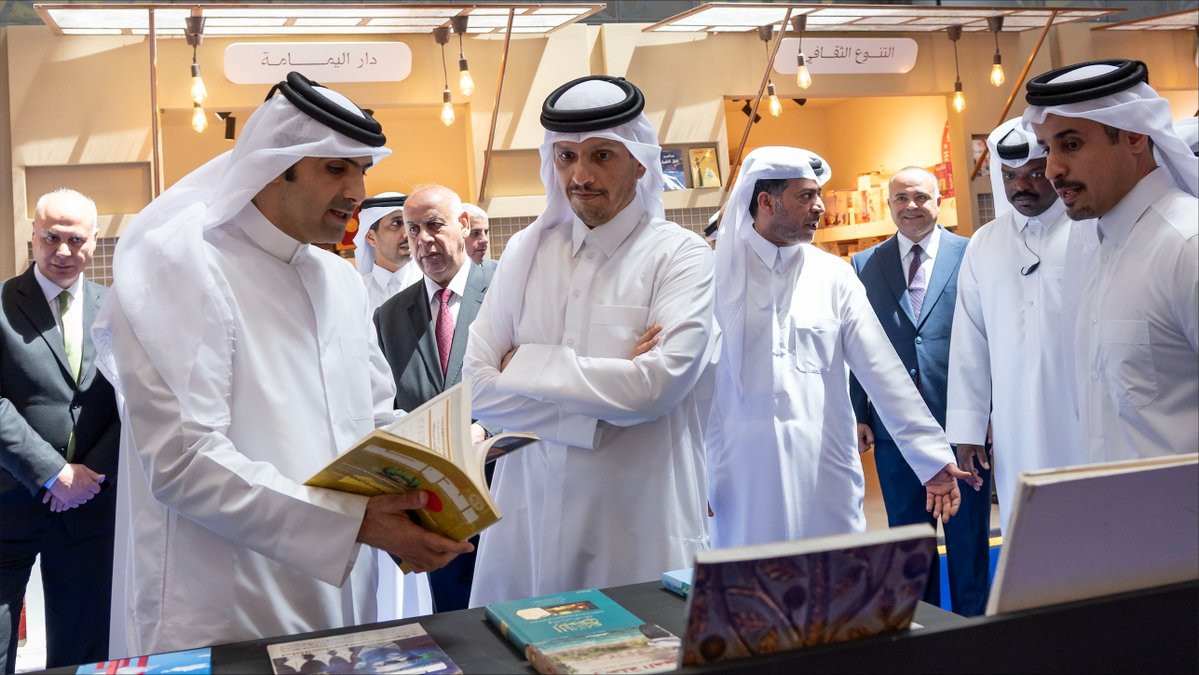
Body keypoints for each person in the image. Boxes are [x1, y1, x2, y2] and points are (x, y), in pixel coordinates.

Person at [93, 72, 472, 656]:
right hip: (224, 602)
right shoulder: (186, 265)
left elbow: (371, 419)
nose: (357, 190)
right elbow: (182, 461)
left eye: (363, 169)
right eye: (336, 168)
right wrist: (355, 523)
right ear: (278, 164)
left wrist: (439, 474)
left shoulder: (337, 279)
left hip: (341, 594)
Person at [463, 75, 714, 606]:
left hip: (633, 522)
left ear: (640, 163)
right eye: (566, 157)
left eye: (602, 155)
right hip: (527, 518)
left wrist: (524, 364)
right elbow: (479, 388)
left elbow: (655, 389)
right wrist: (603, 397)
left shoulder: (681, 257)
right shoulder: (525, 254)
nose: (581, 174)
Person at [707, 146, 970, 556]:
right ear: (765, 201)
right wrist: (698, 476)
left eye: (819, 196)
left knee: (833, 589)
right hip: (743, 473)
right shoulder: (716, 278)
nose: (819, 208)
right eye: (806, 196)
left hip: (822, 468)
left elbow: (882, 370)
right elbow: (694, 386)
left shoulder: (833, 275)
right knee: (751, 591)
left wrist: (932, 458)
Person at [1023, 59, 1197, 462]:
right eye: (1048, 149)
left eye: (1071, 144)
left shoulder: (1186, 245)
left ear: (1135, 135)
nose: (1052, 170)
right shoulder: (1102, 249)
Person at [849, 166, 992, 616]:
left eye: (921, 198)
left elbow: (989, 336)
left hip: (962, 426)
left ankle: (972, 631)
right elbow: (855, 346)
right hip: (896, 432)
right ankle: (922, 628)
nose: (911, 207)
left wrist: (987, 412)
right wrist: (860, 413)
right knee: (908, 542)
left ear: (939, 200)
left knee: (968, 539)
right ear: (889, 205)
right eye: (901, 199)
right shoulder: (864, 264)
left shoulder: (972, 254)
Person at [945, 119, 1089, 535]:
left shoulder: (1090, 231)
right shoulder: (984, 244)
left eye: (1032, 173)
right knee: (1028, 528)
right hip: (1014, 421)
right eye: (1009, 176)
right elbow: (970, 341)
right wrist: (968, 427)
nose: (1020, 186)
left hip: (1082, 413)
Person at [0, 189, 119, 673]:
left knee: (86, 650)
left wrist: (90, 473)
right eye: (51, 237)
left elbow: (135, 398)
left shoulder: (116, 308)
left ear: (94, 241)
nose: (63, 251)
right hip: (9, 504)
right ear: (33, 237)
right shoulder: (3, 302)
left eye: (76, 239)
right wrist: (52, 473)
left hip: (90, 508)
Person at [375, 184, 495, 612]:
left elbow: (538, 386)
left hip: (510, 494)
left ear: (463, 225)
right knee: (456, 633)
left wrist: (485, 430)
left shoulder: (506, 290)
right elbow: (385, 406)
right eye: (412, 230)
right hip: (437, 509)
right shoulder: (389, 317)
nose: (423, 239)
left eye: (434, 225)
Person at [353, 192, 423, 311]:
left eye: (411, 225)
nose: (407, 234)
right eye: (396, 223)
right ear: (371, 237)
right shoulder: (355, 294)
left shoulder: (431, 286)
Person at [461, 203, 496, 270]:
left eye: (485, 232)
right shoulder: (441, 276)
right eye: (475, 233)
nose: (485, 240)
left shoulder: (498, 271)